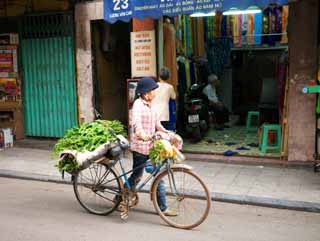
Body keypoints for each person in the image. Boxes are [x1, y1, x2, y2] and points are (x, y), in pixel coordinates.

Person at [128, 77, 177, 216]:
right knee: (136, 176)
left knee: (158, 175)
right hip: (140, 147)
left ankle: (163, 208)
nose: (154, 93)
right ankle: (121, 196)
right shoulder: (138, 104)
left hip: (151, 146)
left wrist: (167, 132)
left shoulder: (151, 105)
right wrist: (141, 134)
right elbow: (136, 123)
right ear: (145, 93)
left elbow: (157, 124)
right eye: (152, 90)